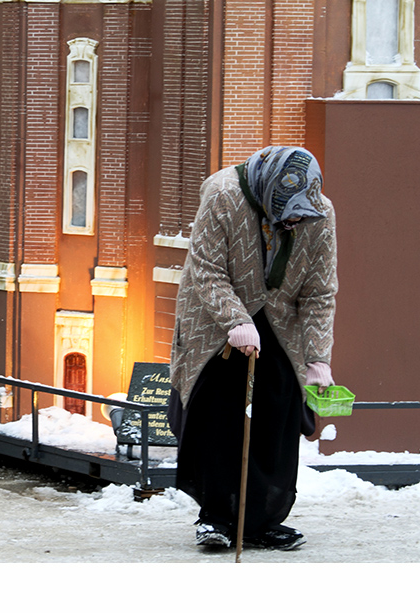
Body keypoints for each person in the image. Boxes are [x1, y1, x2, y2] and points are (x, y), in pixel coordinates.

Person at [167, 145, 338, 551]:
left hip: (281, 325)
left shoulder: (320, 213)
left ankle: (259, 520)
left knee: (276, 418)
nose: (295, 220)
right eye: (287, 213)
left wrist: (317, 358)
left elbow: (319, 293)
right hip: (215, 319)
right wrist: (236, 320)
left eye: (301, 214)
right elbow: (205, 269)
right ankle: (216, 518)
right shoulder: (222, 194)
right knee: (219, 417)